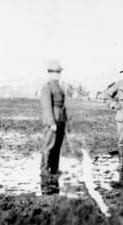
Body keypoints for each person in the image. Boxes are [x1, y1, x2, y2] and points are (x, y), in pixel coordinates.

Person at [39, 60, 68, 195]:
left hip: (60, 122)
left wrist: (65, 122)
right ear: (50, 73)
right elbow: (46, 106)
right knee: (48, 149)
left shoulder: (59, 87)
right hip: (53, 123)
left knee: (56, 150)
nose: (58, 75)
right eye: (55, 72)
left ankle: (54, 175)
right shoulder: (47, 87)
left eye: (59, 72)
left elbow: (63, 106)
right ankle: (45, 178)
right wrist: (51, 122)